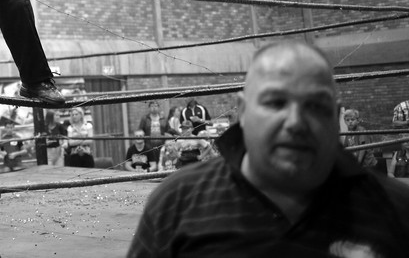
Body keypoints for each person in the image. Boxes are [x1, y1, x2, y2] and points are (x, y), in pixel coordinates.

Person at [128, 40, 409, 257]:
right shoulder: (176, 202)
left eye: (315, 105)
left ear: (335, 117)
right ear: (243, 111)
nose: (296, 123)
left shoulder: (395, 209)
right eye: (275, 102)